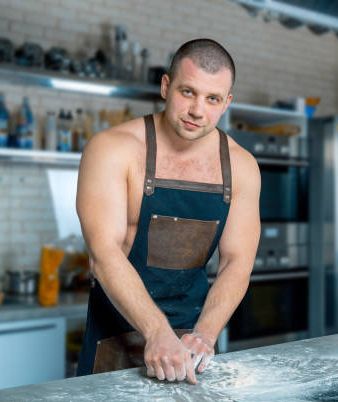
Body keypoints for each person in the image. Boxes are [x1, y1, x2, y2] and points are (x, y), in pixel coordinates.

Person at [76, 38, 260, 384]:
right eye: (187, 92)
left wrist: (205, 335)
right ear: (165, 86)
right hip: (113, 347)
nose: (197, 110)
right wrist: (157, 332)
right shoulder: (112, 149)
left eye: (213, 99)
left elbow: (238, 263)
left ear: (226, 103)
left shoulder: (241, 166)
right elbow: (103, 254)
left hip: (193, 354)